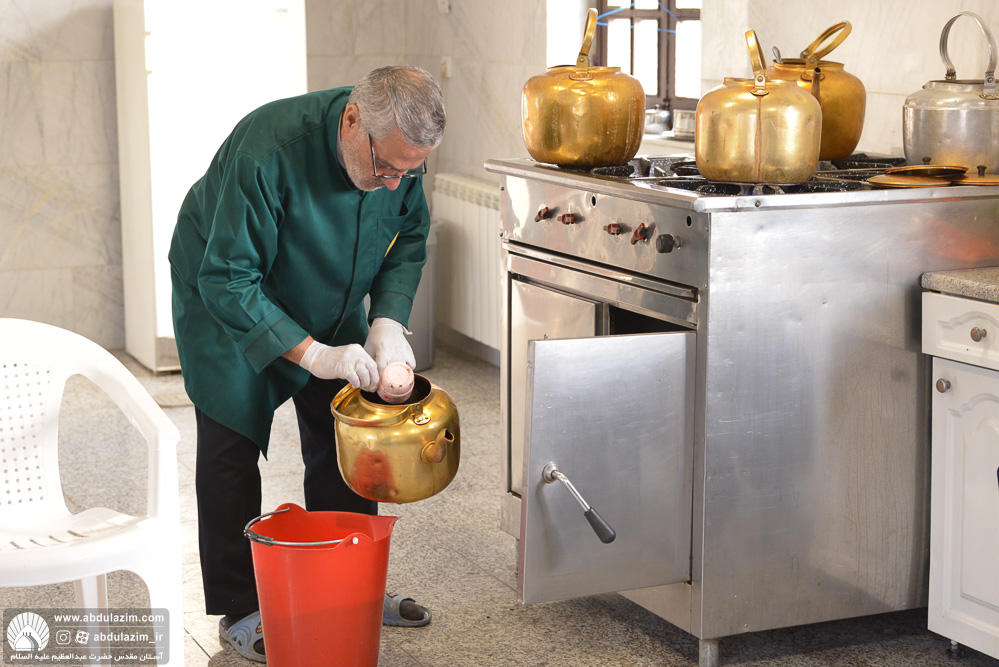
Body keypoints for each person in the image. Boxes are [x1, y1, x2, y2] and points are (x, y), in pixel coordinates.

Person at [168, 65, 446, 663]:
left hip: (330, 293)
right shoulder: (268, 150)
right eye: (386, 168)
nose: (395, 183)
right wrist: (312, 353)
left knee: (345, 429)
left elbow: (409, 238)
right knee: (230, 442)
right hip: (228, 300)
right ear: (353, 121)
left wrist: (387, 321)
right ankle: (241, 606)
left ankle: (349, 582)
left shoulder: (396, 161)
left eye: (409, 172)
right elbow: (227, 277)